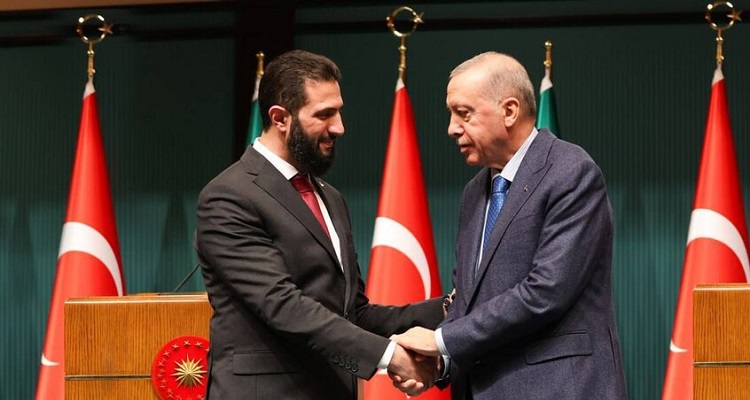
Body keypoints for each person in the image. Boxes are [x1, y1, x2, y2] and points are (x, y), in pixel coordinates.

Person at [195, 49, 444, 400]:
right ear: (280, 118)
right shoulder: (228, 196)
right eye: (324, 114)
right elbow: (281, 304)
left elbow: (353, 312)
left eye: (338, 111)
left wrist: (448, 308)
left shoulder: (330, 197)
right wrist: (390, 356)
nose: (339, 127)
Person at [391, 52, 628, 399]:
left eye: (464, 113)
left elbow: (546, 291)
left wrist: (440, 340)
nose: (452, 128)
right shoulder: (474, 192)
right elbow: (467, 301)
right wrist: (440, 363)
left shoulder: (571, 172)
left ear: (510, 111)